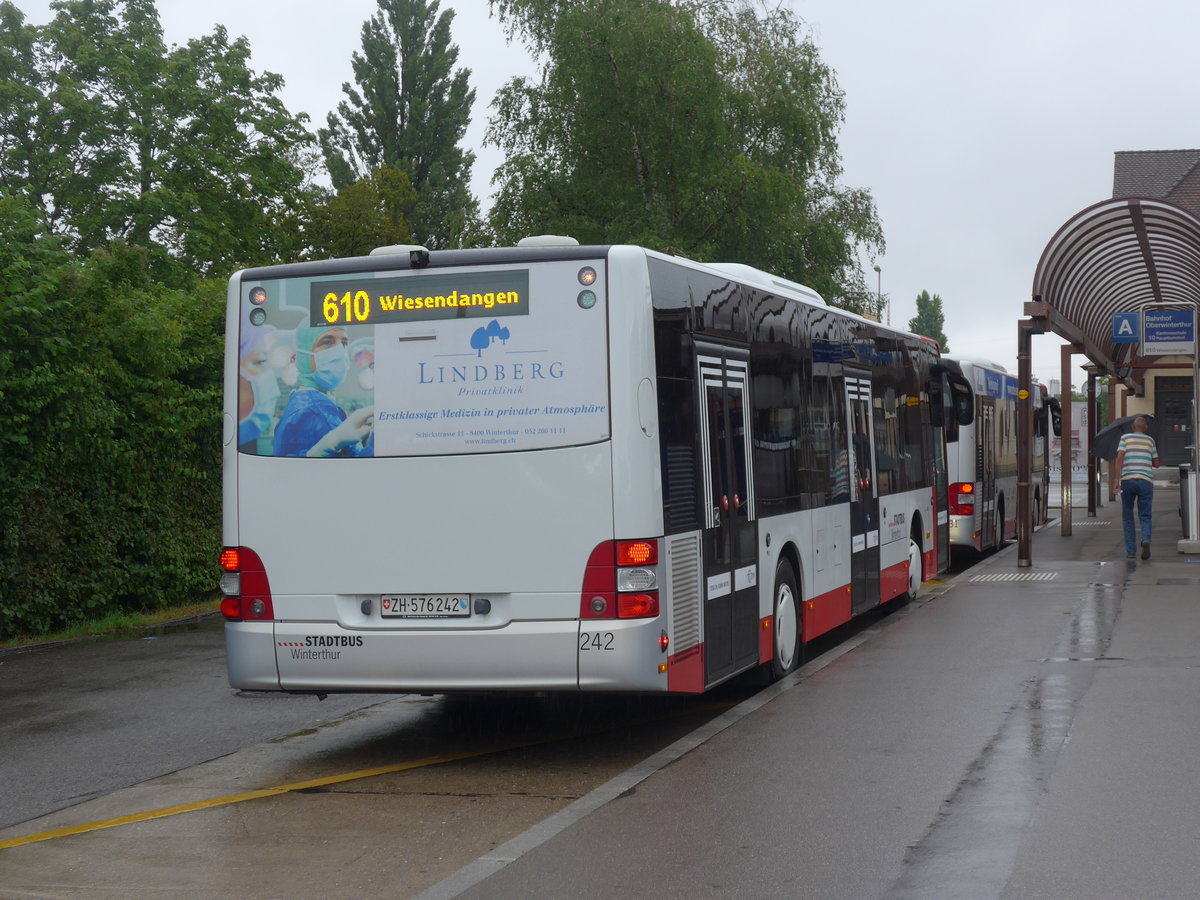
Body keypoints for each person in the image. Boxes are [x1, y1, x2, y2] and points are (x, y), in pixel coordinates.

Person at [273, 325, 374, 458]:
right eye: (327, 342)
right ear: (303, 355)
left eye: (344, 343)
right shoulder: (315, 414)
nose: (339, 352)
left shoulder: (306, 403)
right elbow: (348, 470)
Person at [1114, 416, 1160, 559]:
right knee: (1145, 515)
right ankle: (1145, 539)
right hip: (1145, 481)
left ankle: (1131, 552)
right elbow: (1157, 464)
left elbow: (1119, 458)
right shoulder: (1150, 440)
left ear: (1133, 427)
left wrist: (1116, 480)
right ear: (1145, 428)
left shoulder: (1125, 438)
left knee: (1127, 515)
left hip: (1128, 481)